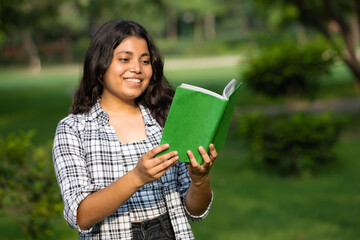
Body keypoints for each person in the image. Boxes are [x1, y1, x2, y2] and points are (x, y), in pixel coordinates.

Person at [52, 19, 217, 240]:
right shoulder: (73, 130)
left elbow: (195, 212)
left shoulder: (166, 120)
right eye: (124, 59)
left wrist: (200, 179)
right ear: (100, 67)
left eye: (145, 60)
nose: (137, 69)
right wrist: (137, 177)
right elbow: (80, 215)